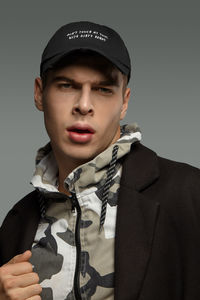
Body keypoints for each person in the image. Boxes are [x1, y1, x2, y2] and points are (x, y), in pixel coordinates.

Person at [0, 21, 200, 300]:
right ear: (39, 93)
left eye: (103, 89)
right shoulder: (16, 223)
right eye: (66, 85)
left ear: (125, 101)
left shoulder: (189, 194)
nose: (84, 105)